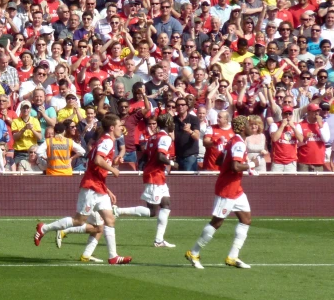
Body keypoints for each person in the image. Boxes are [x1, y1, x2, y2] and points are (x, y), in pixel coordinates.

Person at [34, 114, 132, 265]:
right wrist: (113, 169)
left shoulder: (105, 142)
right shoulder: (107, 142)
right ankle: (44, 228)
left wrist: (108, 189)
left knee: (108, 220)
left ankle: (113, 256)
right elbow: (98, 160)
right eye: (119, 126)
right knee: (79, 220)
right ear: (112, 128)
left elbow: (96, 167)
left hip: (99, 187)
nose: (122, 128)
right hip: (91, 188)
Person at [186, 115, 254, 270]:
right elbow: (235, 167)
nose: (252, 127)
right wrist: (250, 164)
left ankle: (232, 256)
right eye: (249, 125)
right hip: (227, 189)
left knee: (246, 219)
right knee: (217, 222)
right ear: (243, 127)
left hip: (236, 189)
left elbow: (219, 161)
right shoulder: (238, 143)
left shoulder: (233, 141)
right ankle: (194, 252)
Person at [114, 114, 178, 248]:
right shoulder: (164, 138)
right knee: (152, 212)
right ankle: (118, 211)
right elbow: (160, 156)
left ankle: (159, 240)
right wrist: (172, 162)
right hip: (154, 175)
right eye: (172, 122)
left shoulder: (152, 137)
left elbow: (145, 156)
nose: (173, 125)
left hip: (157, 175)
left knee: (166, 204)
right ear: (167, 123)